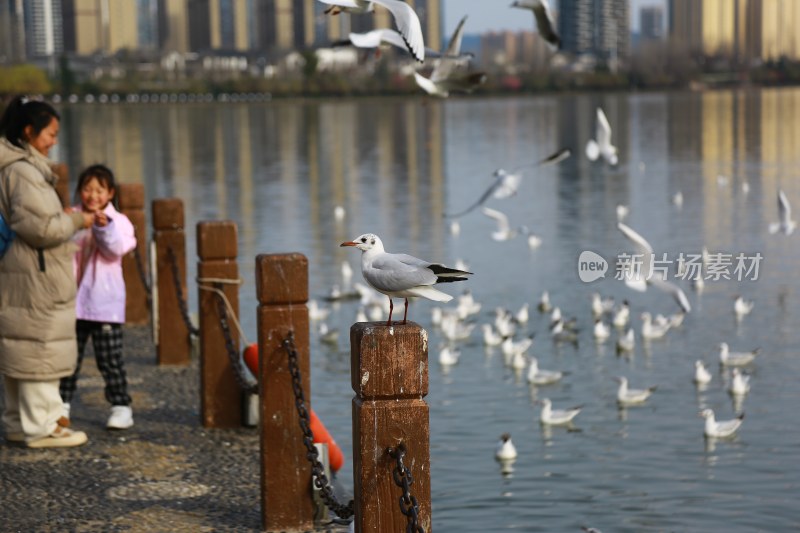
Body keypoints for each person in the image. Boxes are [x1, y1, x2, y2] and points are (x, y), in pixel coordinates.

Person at [0, 96, 94, 448]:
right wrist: (77, 219)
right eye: (50, 134)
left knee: (19, 345)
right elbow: (39, 227)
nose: (55, 140)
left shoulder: (14, 166)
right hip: (34, 274)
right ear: (29, 132)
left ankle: (16, 421)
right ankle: (43, 426)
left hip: (19, 270)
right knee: (38, 346)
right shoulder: (24, 171)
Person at [59, 164, 136, 429]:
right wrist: (64, 222)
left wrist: (104, 227)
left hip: (103, 304)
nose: (93, 195)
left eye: (99, 190)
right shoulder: (73, 216)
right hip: (71, 304)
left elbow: (116, 249)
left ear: (110, 193)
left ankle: (121, 406)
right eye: (87, 189)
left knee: (110, 360)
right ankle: (61, 405)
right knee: (67, 359)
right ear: (79, 191)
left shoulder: (119, 221)